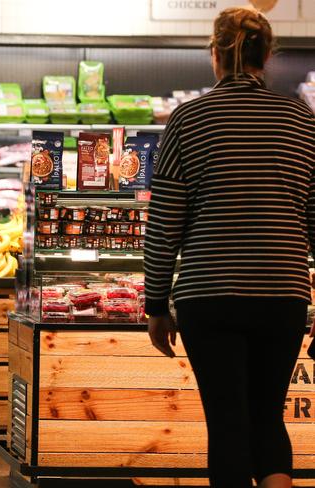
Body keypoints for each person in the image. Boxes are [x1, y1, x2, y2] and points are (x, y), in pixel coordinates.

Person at [144, 7, 315, 488]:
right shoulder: (301, 119)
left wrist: (156, 303)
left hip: (209, 296)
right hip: (282, 295)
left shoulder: (189, 119)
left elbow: (165, 224)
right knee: (267, 416)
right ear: (269, 56)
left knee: (228, 425)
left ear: (215, 55)